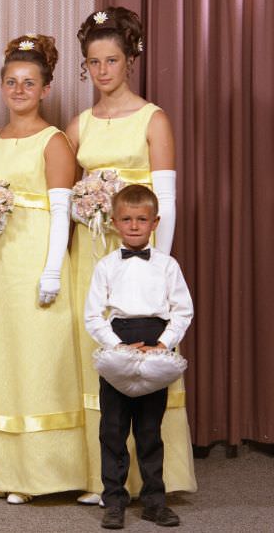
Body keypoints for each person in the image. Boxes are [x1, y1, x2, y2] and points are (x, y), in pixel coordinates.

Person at [65, 7, 196, 504]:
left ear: (130, 60)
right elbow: (58, 182)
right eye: (93, 62)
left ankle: (154, 481)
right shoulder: (79, 124)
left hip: (140, 256)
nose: (102, 71)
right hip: (93, 255)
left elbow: (167, 199)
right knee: (101, 364)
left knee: (146, 363)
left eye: (112, 60)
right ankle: (105, 480)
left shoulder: (152, 118)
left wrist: (159, 270)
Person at [0, 34, 86, 504]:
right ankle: (11, 474)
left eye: (29, 83)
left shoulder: (54, 141)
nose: (19, 90)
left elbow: (61, 212)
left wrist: (52, 271)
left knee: (41, 362)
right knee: (3, 364)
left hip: (36, 258)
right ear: (2, 87)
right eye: (11, 82)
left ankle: (48, 473)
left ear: (45, 89)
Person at [85, 184, 193, 529]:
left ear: (155, 222)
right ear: (115, 222)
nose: (134, 226)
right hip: (119, 345)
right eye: (127, 219)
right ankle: (114, 500)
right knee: (112, 430)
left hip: (155, 343)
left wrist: (163, 344)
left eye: (141, 219)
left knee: (149, 430)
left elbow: (182, 310)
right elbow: (92, 315)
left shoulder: (167, 265)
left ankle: (154, 502)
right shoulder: (105, 266)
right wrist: (117, 346)